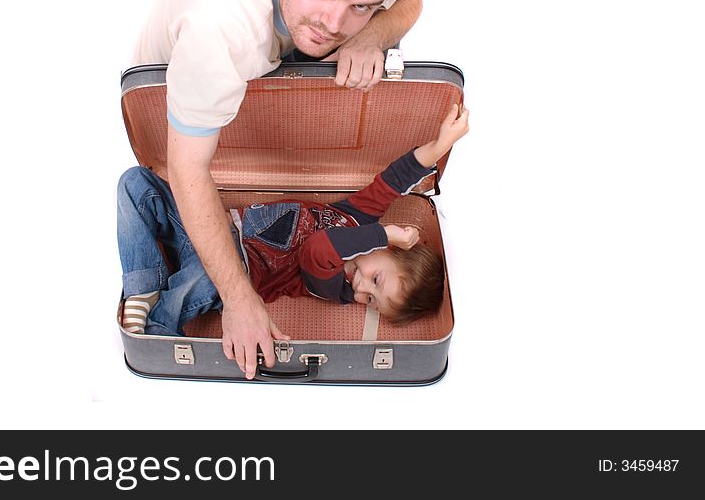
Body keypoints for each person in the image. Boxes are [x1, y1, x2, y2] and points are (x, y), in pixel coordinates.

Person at [130, 0, 422, 378]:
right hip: (187, 118)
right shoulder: (219, 30)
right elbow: (186, 167)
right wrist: (239, 299)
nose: (335, 24)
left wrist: (374, 35)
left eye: (361, 7)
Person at [117, 105, 470, 371]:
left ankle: (156, 331)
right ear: (392, 251)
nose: (363, 289)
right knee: (135, 183)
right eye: (377, 280)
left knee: (201, 280)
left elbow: (319, 250)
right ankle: (144, 285)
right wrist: (440, 145)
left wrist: (384, 233)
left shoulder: (332, 287)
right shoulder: (357, 218)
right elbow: (393, 181)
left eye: (372, 301)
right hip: (211, 226)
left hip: (235, 269)